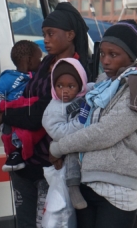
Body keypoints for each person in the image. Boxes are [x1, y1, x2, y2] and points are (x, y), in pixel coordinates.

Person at [49, 19, 137, 228]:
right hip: (88, 185)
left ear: (131, 55)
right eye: (102, 54)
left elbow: (105, 132)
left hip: (116, 192)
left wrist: (59, 147)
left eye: (113, 55)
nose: (105, 61)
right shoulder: (105, 85)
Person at [0, 2, 89, 228]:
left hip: (51, 165)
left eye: (51, 34)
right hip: (27, 164)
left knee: (47, 223)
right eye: (44, 33)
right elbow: (27, 98)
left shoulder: (72, 69)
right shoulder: (45, 62)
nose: (45, 39)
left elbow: (39, 114)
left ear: (70, 34)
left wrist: (5, 115)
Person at [42, 58, 92, 210]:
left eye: (71, 86)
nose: (64, 90)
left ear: (80, 85)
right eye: (59, 86)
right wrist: (80, 122)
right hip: (70, 145)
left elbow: (100, 86)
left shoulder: (86, 93)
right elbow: (58, 132)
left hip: (90, 143)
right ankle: (73, 188)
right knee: (72, 156)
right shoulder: (54, 108)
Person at [0, 40, 45, 171]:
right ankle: (15, 154)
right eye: (39, 58)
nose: (41, 61)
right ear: (29, 61)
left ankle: (23, 154)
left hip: (26, 115)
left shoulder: (38, 77)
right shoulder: (9, 77)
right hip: (10, 115)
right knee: (10, 133)